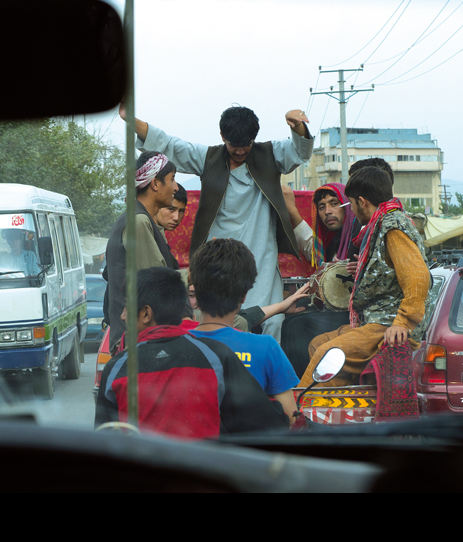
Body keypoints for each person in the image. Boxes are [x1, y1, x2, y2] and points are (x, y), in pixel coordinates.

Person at [123, 103, 313, 342]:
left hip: (262, 258)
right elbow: (170, 145)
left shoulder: (270, 154)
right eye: (234, 145)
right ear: (222, 137)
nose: (241, 151)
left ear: (254, 138)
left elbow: (300, 151)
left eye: (247, 145)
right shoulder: (208, 158)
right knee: (220, 328)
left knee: (273, 323)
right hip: (219, 262)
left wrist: (299, 129)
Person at [94, 266, 289, 438]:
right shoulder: (216, 357)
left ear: (146, 313)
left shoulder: (117, 368)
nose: (122, 315)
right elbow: (269, 425)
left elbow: (105, 444)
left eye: (127, 308)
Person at [297, 167, 432, 388]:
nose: (350, 209)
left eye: (350, 203)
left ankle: (303, 414)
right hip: (373, 320)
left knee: (326, 354)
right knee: (319, 343)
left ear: (361, 202)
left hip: (388, 323)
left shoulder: (393, 227)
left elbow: (418, 277)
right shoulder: (381, 223)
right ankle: (339, 408)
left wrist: (403, 322)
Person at [187, 238, 302, 423]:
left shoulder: (176, 345)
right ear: (244, 295)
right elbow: (292, 420)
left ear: (196, 293)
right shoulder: (265, 347)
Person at [278, 182, 362, 377]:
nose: (328, 212)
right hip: (336, 313)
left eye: (334, 204)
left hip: (356, 317)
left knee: (296, 326)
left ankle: (302, 386)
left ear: (348, 206)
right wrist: (291, 210)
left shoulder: (360, 237)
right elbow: (313, 249)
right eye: (322, 207)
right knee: (289, 321)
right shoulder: (334, 242)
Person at [104, 151, 178, 354]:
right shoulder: (138, 221)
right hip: (136, 345)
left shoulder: (141, 219)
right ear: (155, 184)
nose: (176, 188)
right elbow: (159, 283)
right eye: (172, 179)